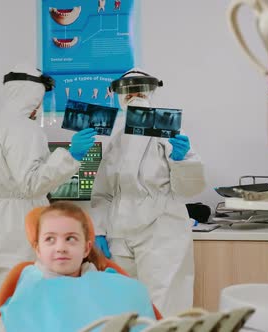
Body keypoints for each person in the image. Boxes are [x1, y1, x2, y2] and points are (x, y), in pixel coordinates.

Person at [0, 63, 97, 299]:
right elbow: (31, 183)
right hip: (19, 221)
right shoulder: (23, 128)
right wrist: (72, 156)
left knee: (3, 299)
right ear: (33, 94)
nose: (40, 107)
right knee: (25, 297)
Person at [90, 69, 206, 316]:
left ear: (152, 90)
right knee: (122, 307)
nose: (134, 95)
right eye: (128, 90)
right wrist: (99, 229)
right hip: (119, 232)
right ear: (118, 93)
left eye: (139, 89)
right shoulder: (113, 133)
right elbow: (102, 192)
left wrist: (181, 159)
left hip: (161, 230)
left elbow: (190, 187)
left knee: (164, 307)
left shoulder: (166, 127)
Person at [0, 202, 157, 332]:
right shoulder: (27, 290)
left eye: (70, 238)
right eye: (50, 239)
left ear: (86, 248)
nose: (60, 248)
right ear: (38, 249)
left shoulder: (115, 286)